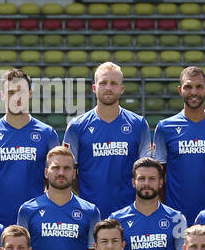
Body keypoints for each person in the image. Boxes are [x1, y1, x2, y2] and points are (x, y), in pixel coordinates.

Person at [63, 61, 151, 222]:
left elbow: (147, 172)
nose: (108, 87)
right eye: (103, 83)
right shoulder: (76, 126)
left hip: (130, 214)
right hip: (88, 215)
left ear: (121, 89)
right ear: (94, 87)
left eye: (113, 83)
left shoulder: (138, 124)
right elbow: (69, 174)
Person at [0, 68, 59, 230]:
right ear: (2, 95)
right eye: (11, 92)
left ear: (30, 94)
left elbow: (54, 184)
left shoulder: (47, 134)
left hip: (37, 223)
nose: (16, 97)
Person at [153, 65, 205, 224]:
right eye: (188, 87)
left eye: (199, 87)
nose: (194, 92)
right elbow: (159, 177)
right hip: (176, 217)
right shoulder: (165, 128)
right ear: (180, 90)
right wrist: (166, 210)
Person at [112, 157, 187, 250]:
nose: (146, 183)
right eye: (142, 178)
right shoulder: (117, 219)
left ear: (161, 182)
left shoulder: (177, 219)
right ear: (133, 182)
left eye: (152, 179)